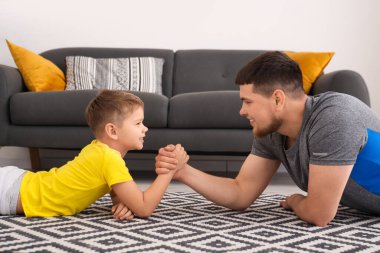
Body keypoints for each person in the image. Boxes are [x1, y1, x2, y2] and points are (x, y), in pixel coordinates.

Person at [155, 51, 380, 227]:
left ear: (278, 100)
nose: (242, 111)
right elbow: (241, 193)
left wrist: (294, 201)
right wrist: (183, 171)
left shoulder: (334, 117)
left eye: (248, 101)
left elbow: (320, 214)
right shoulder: (272, 132)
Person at [0, 90, 188, 219]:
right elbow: (145, 208)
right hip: (13, 192)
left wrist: (124, 203)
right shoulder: (109, 159)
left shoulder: (100, 151)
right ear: (112, 131)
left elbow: (117, 192)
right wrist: (169, 170)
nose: (145, 129)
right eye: (138, 123)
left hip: (19, 182)